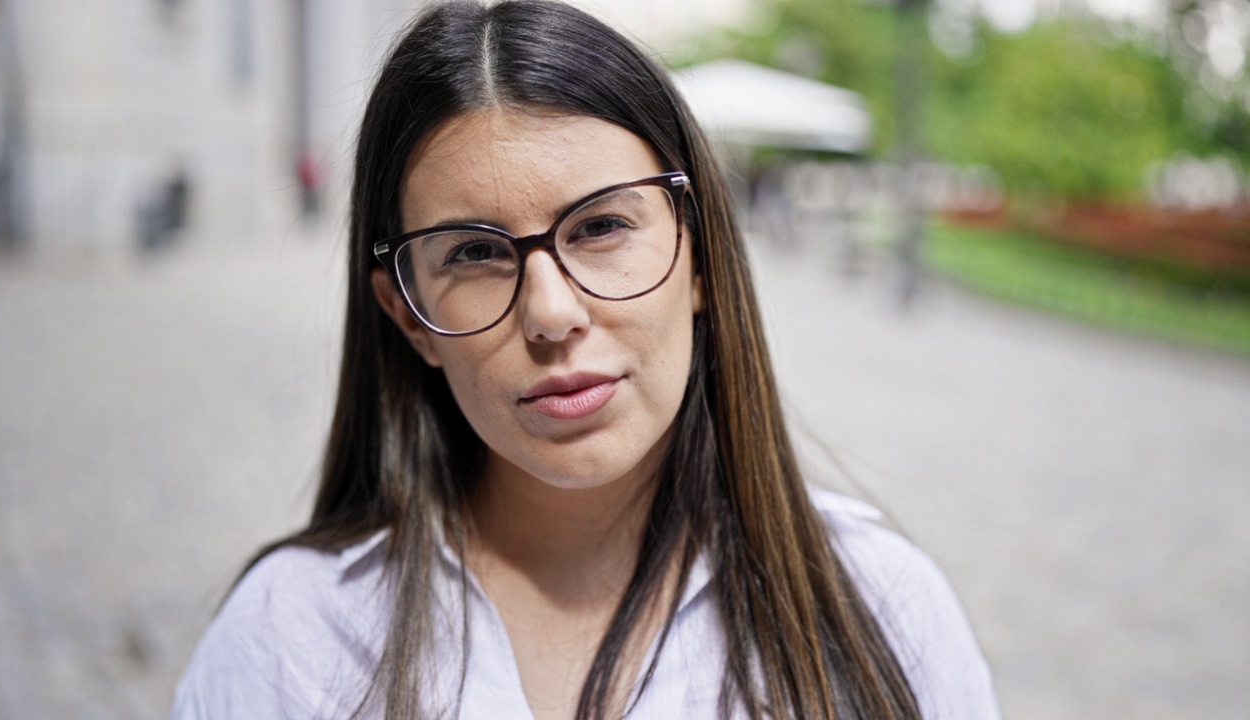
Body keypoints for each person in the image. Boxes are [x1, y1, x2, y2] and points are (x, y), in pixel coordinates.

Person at [172, 2, 1001, 718]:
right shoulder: (291, 637)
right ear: (409, 314)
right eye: (471, 252)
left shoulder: (880, 609)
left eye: (601, 227)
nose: (551, 314)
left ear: (702, 255)